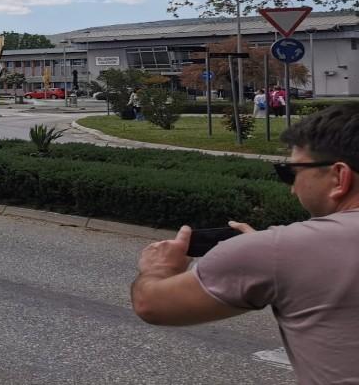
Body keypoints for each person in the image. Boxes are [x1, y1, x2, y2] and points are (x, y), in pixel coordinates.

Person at [130, 103, 359, 384]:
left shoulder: (276, 251)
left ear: (339, 177)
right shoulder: (279, 251)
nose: (292, 188)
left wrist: (158, 268)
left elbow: (152, 304)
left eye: (291, 172)